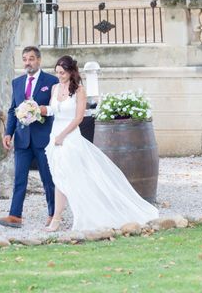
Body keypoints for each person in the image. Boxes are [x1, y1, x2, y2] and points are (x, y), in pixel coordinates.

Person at [44, 55, 158, 232]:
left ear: (71, 72)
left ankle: (68, 217)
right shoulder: (54, 88)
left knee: (70, 178)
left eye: (63, 73)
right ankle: (57, 219)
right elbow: (53, 110)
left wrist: (63, 136)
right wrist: (36, 110)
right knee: (59, 178)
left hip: (70, 137)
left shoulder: (79, 90)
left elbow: (78, 117)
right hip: (55, 136)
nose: (59, 76)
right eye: (57, 72)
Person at [0, 46, 59, 228]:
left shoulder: (52, 81)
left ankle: (53, 214)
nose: (27, 63)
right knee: (19, 179)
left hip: (43, 138)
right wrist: (8, 133)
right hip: (22, 139)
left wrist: (38, 111)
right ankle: (15, 215)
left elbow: (55, 108)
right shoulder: (17, 82)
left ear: (38, 60)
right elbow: (12, 110)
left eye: (31, 59)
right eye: (25, 59)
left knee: (48, 179)